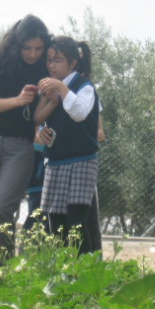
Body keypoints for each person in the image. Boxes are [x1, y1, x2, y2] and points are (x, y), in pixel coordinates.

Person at [0, 14, 51, 271]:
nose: (33, 54)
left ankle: (2, 271)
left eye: (39, 48)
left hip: (20, 147)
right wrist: (18, 100)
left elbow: (34, 118)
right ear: (17, 43)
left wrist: (51, 102)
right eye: (27, 48)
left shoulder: (44, 69)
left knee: (1, 211)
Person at [34, 36, 100, 256]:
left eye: (58, 60)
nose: (51, 65)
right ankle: (64, 277)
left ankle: (86, 275)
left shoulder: (85, 86)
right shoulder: (49, 88)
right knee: (56, 225)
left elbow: (80, 113)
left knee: (77, 224)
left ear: (72, 63)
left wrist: (61, 87)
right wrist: (41, 130)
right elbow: (40, 120)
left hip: (82, 161)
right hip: (55, 162)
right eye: (49, 60)